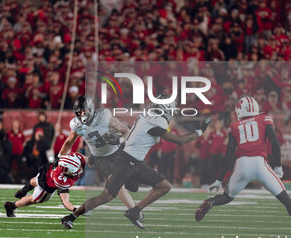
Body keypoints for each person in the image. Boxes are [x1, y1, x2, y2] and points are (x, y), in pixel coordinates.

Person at [61, 96, 212, 229]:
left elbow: (127, 131)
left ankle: (134, 211)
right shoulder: (155, 121)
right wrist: (200, 131)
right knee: (107, 195)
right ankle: (72, 217)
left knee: (163, 186)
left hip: (130, 159)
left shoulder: (147, 116)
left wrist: (117, 139)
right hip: (126, 161)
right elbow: (180, 140)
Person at [195, 96, 291, 235]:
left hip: (242, 164)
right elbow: (275, 143)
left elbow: (228, 156)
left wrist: (219, 179)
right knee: (284, 198)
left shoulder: (234, 127)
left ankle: (210, 202)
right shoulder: (264, 119)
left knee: (227, 197)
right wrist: (278, 166)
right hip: (260, 163)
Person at [57, 96, 134, 209]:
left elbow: (126, 131)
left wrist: (119, 140)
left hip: (116, 150)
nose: (82, 115)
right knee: (116, 183)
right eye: (79, 113)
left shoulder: (103, 116)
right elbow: (69, 141)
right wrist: (59, 156)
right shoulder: (77, 124)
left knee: (131, 181)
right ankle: (133, 210)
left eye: (84, 111)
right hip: (100, 156)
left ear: (91, 109)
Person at [4, 152, 84, 217]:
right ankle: (11, 206)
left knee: (35, 180)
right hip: (46, 186)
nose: (78, 170)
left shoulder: (62, 161)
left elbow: (67, 143)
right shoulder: (61, 181)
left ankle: (23, 191)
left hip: (46, 171)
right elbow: (65, 202)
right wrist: (76, 210)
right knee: (32, 200)